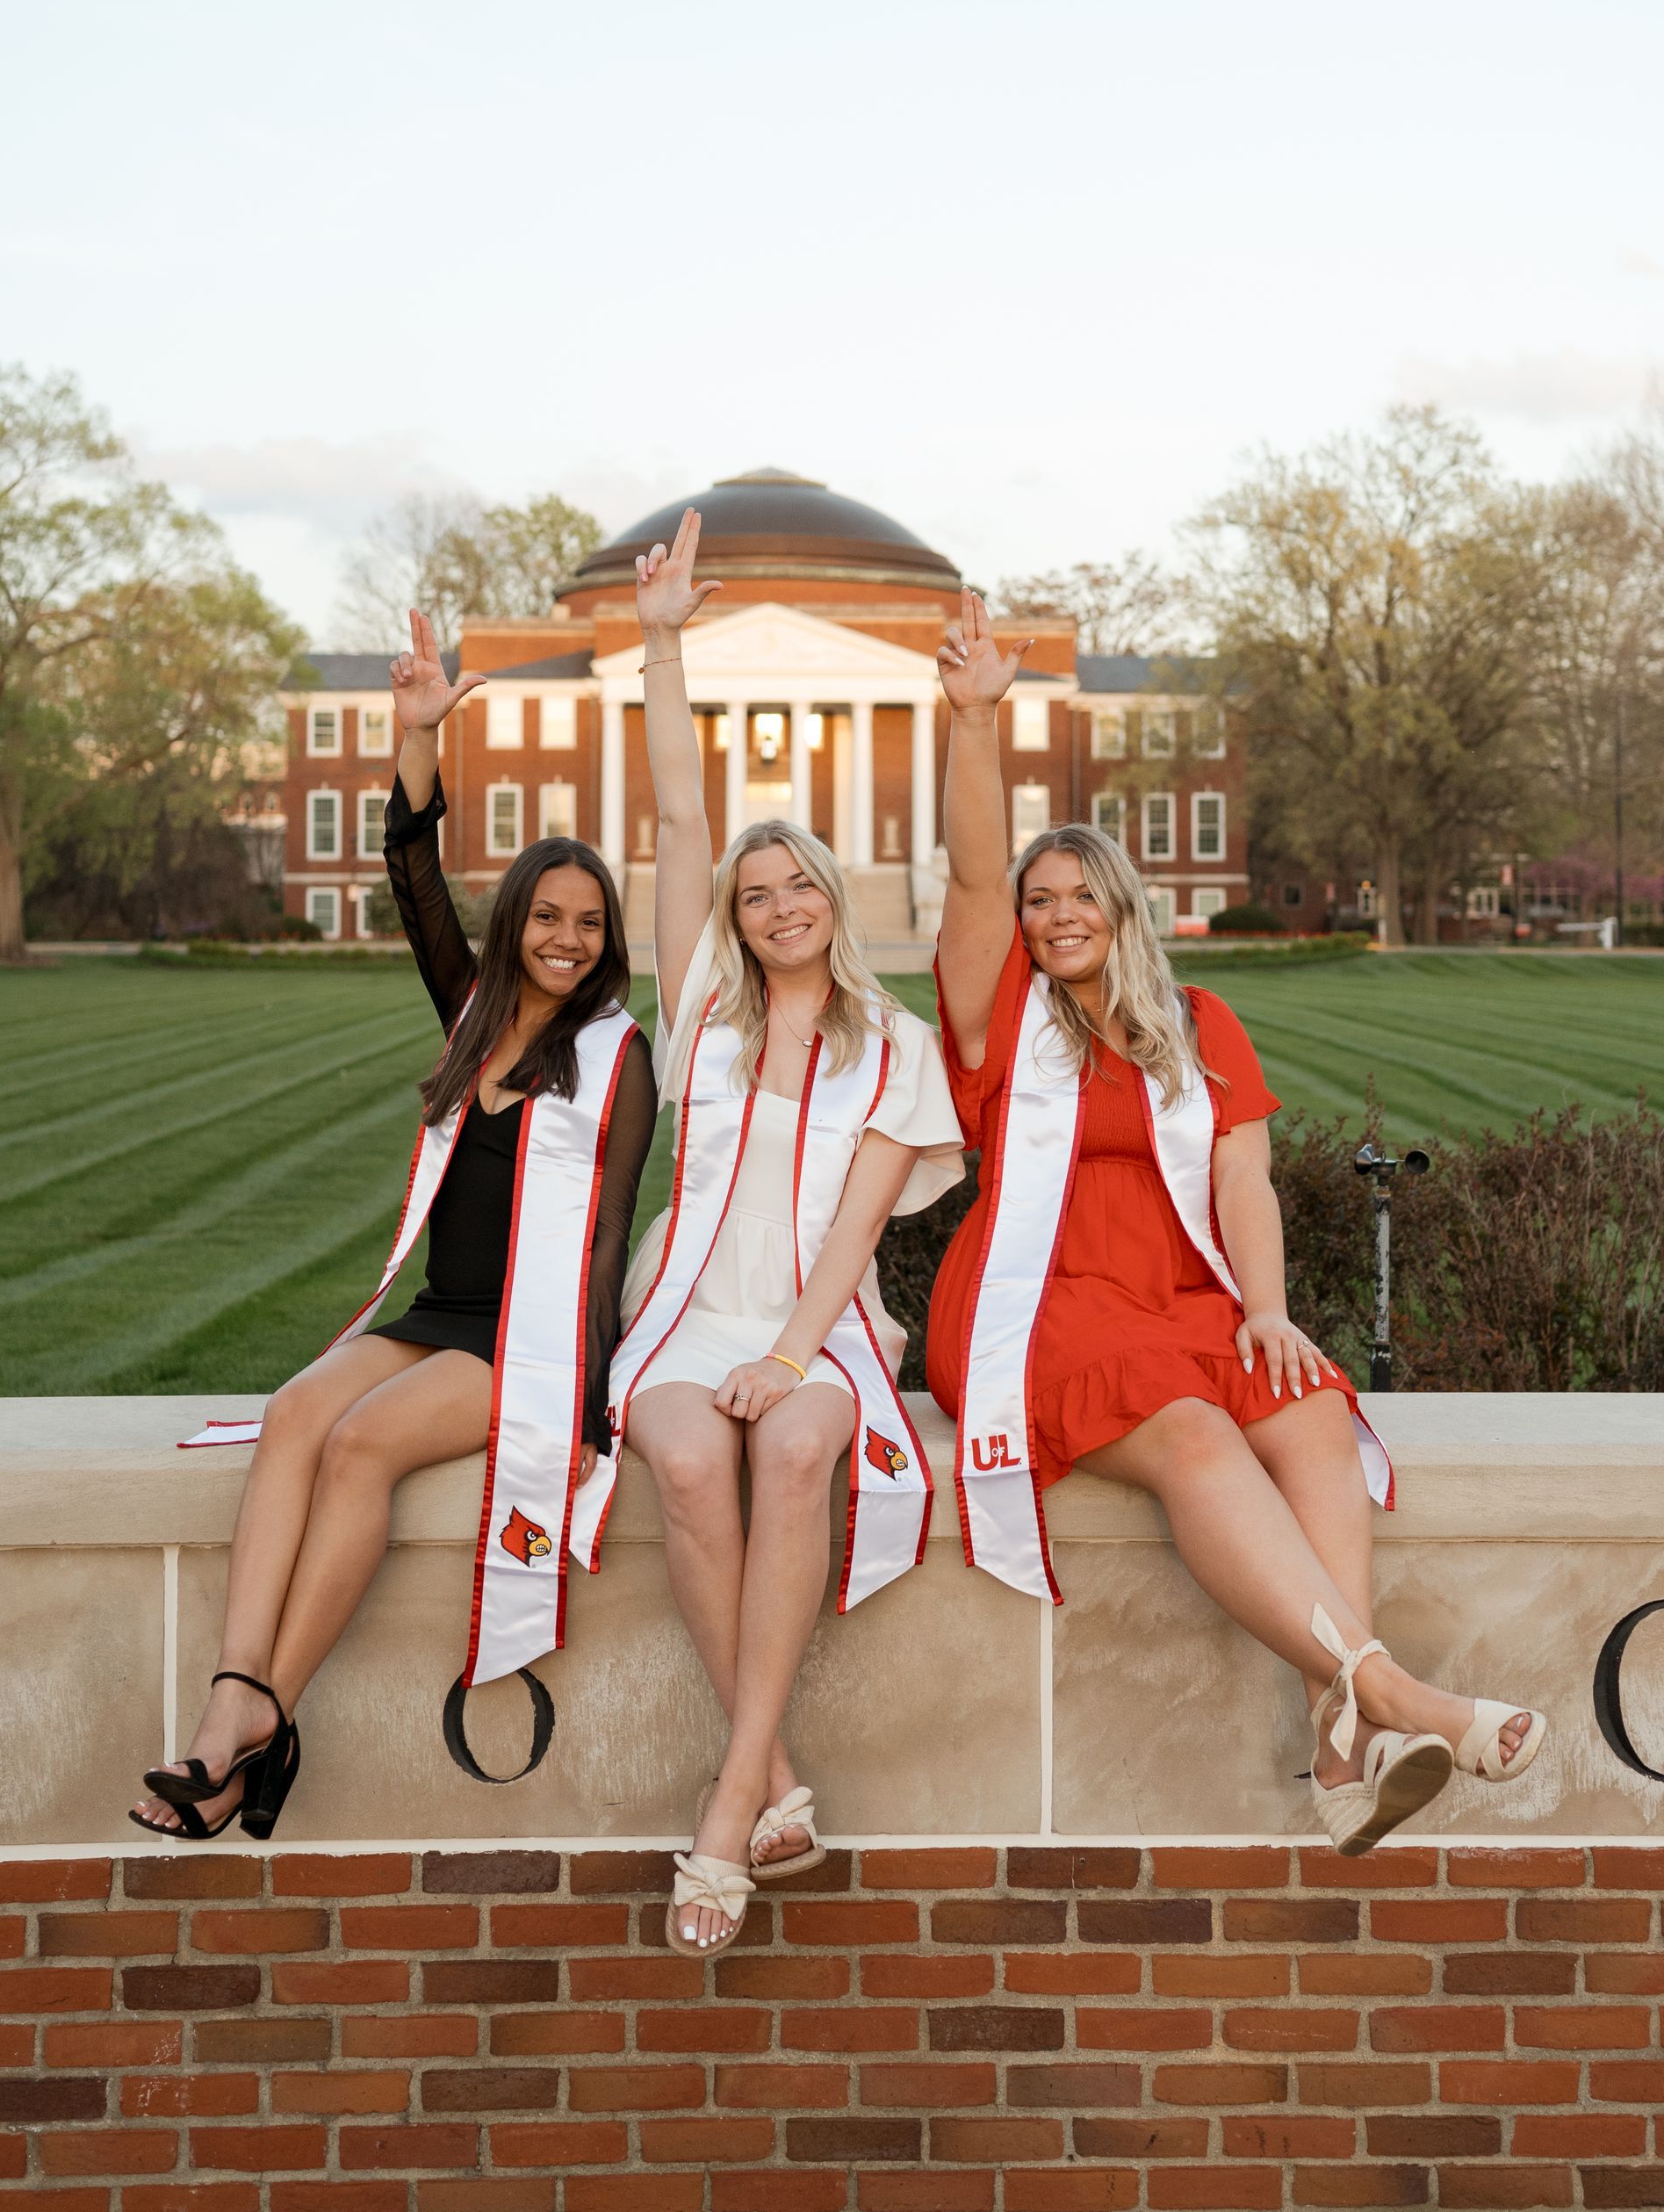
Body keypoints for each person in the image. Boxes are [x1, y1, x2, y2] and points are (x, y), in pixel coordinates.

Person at [926, 594, 1545, 1854]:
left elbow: (1242, 1184)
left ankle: (1336, 1753)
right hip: (1036, 1303)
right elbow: (975, 868)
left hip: (1185, 1298)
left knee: (1310, 1401)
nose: (1053, 914)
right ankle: (1393, 1696)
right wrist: (976, 720)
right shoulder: (1004, 1029)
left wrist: (1266, 1308)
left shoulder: (1202, 1025)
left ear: (1122, 904)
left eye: (1078, 893)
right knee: (1201, 1438)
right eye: (1040, 900)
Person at [130, 610, 656, 1841]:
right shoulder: (473, 1013)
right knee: (300, 1411)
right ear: (517, 918)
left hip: (523, 1343)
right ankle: (233, 1693)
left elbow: (609, 1235)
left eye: (589, 922)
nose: (568, 940)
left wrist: (582, 1410)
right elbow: (412, 871)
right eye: (548, 916)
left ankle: (256, 1717)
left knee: (360, 1444)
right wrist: (418, 733)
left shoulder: (616, 1057)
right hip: (441, 1311)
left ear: (607, 934)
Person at [619, 510, 963, 1951]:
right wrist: (660, 641)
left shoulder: (894, 1042)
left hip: (821, 1312)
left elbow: (859, 1233)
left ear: (833, 895)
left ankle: (727, 1803)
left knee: (802, 1434)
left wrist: (793, 1353)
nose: (774, 905)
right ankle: (770, 1768)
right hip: (691, 1297)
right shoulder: (702, 1008)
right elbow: (685, 818)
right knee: (693, 1454)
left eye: (796, 883)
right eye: (755, 897)